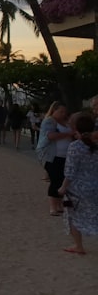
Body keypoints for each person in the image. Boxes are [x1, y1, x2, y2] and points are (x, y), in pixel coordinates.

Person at [57, 113, 98, 255]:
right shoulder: (95, 146)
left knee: (73, 216)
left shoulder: (75, 147)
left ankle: (78, 245)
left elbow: (70, 171)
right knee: (94, 216)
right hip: (94, 187)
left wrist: (63, 187)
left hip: (77, 190)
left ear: (76, 129)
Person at [38, 103, 74, 217]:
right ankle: (53, 206)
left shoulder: (67, 122)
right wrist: (68, 134)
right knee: (55, 180)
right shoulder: (50, 121)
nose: (63, 114)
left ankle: (60, 204)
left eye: (65, 112)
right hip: (52, 156)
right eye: (61, 112)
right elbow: (50, 136)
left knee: (63, 180)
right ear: (54, 111)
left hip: (66, 156)